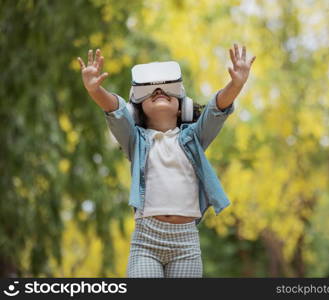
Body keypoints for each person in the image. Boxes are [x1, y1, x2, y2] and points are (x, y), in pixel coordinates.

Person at [77, 44, 256, 277]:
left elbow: (216, 110)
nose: (159, 90)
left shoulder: (194, 137)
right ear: (139, 108)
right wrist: (95, 90)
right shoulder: (136, 140)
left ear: (182, 108)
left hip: (186, 243)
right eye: (150, 90)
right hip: (146, 241)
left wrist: (236, 84)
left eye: (167, 89)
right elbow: (116, 113)